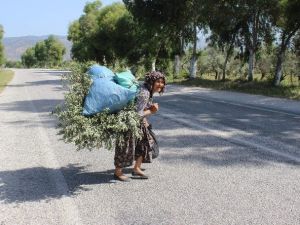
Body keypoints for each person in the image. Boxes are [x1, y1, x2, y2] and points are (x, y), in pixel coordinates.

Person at [114, 71, 166, 181]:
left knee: (146, 143)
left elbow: (140, 110)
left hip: (138, 123)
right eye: (158, 81)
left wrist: (146, 116)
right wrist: (152, 111)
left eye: (162, 82)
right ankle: (118, 172)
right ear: (151, 81)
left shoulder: (148, 91)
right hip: (128, 123)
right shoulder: (144, 93)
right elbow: (136, 115)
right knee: (125, 147)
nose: (160, 84)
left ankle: (136, 168)